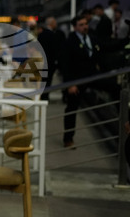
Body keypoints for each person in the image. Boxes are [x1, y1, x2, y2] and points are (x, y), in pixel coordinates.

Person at [61, 14, 101, 148]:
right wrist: (69, 84)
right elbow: (65, 65)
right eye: (81, 25)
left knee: (116, 89)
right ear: (75, 27)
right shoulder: (69, 42)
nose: (85, 27)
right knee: (72, 108)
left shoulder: (92, 38)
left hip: (93, 76)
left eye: (85, 24)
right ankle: (68, 138)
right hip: (76, 80)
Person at [37, 16, 63, 87]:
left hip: (43, 61)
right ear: (51, 23)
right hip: (50, 62)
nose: (56, 24)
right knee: (47, 82)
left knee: (44, 82)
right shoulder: (54, 35)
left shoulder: (41, 35)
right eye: (55, 23)